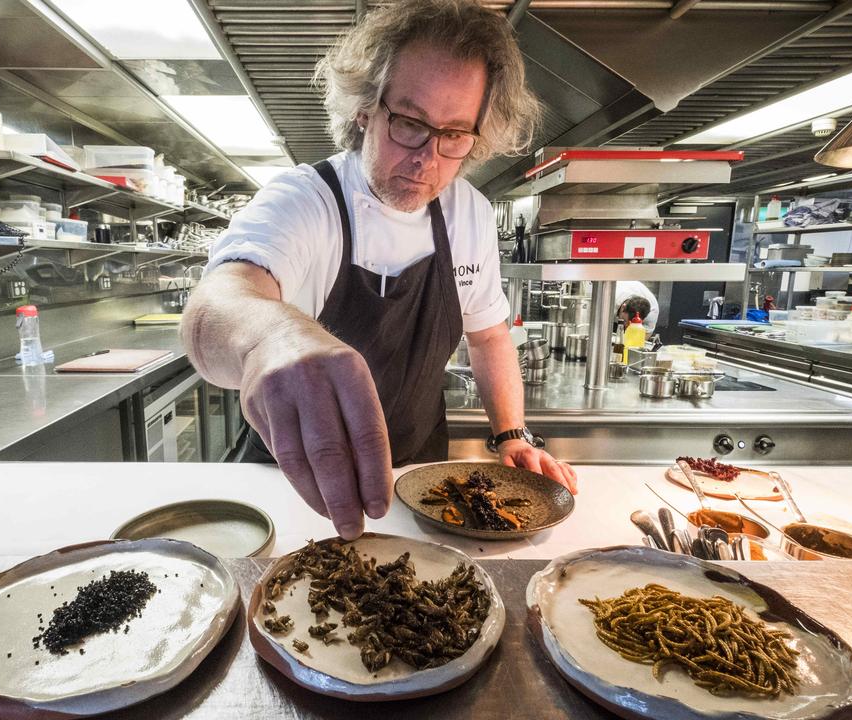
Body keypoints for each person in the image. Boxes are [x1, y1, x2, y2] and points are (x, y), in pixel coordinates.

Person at [181, 0, 576, 540]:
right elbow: (213, 309)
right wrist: (272, 337)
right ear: (367, 108)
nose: (427, 158)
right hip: (289, 486)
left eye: (455, 134)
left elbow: (487, 337)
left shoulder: (469, 215)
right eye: (410, 123)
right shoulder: (306, 199)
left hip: (420, 488)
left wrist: (512, 433)